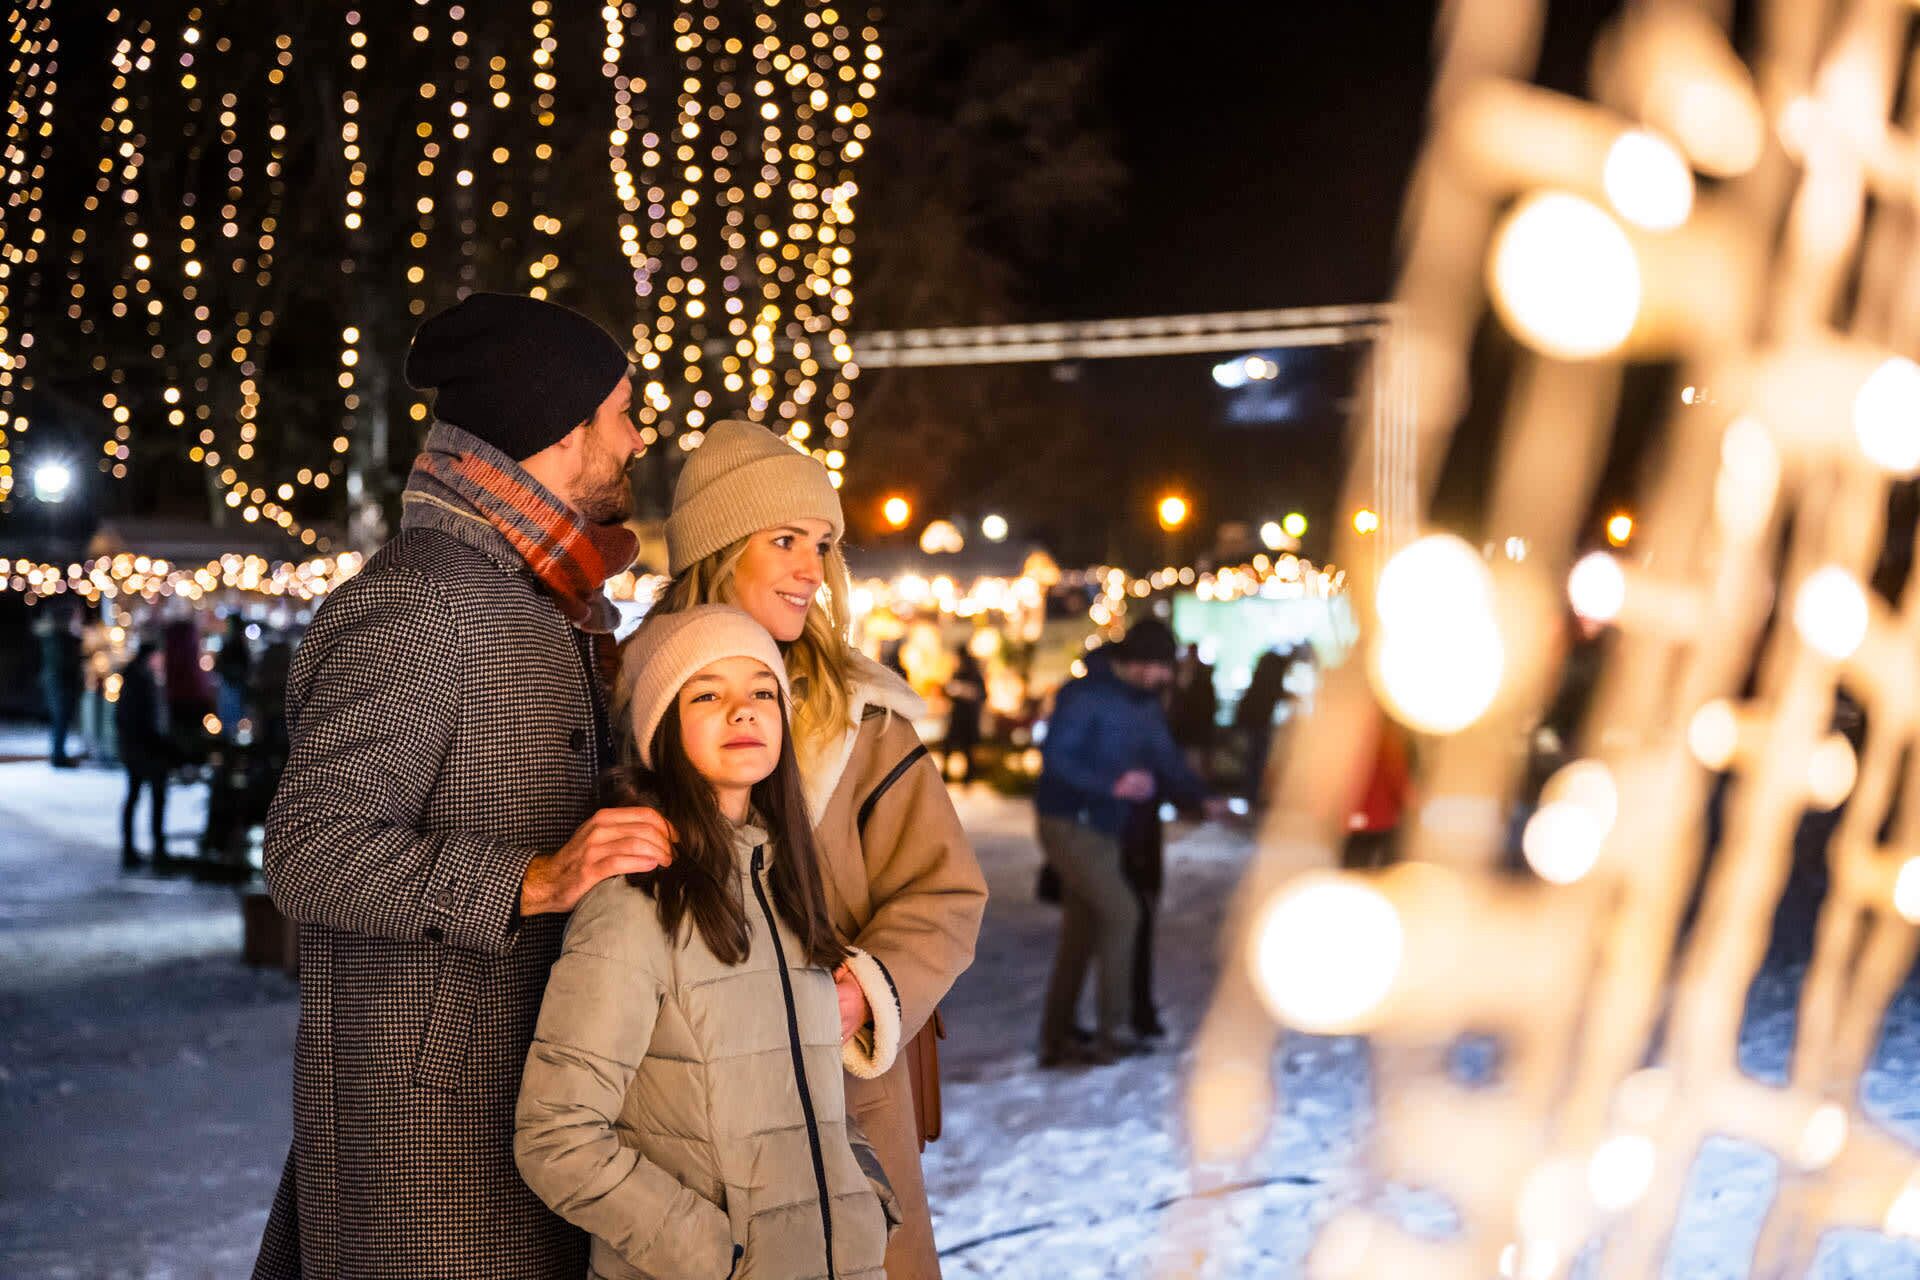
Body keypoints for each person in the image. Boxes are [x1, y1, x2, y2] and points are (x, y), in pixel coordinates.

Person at [252, 294, 675, 1279]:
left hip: (516, 1111)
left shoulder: (538, 595)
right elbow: (309, 850)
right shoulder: (421, 598)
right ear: (561, 431)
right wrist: (531, 879)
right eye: (622, 410)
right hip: (431, 1140)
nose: (639, 434)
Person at [649, 417, 987, 1280]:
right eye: (787, 539)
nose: (813, 568)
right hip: (678, 1117)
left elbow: (947, 895)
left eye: (825, 545)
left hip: (842, 1102)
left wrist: (857, 993)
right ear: (719, 550)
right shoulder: (630, 702)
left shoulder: (865, 724)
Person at [517, 605, 900, 1280]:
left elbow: (813, 1099)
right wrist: (711, 1254)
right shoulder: (636, 900)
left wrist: (863, 1198)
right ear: (661, 727)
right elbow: (557, 1135)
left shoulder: (788, 887)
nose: (744, 711)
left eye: (761, 692)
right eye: (707, 694)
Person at [1034, 618, 1226, 1067]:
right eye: (1161, 668)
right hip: (1068, 822)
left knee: (1082, 930)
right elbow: (1056, 757)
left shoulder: (1144, 704)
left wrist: (1202, 796)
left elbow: (1166, 759)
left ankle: (1057, 1035)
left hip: (1103, 828)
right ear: (1139, 663)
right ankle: (1113, 1031)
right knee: (1123, 912)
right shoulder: (1084, 695)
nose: (1166, 678)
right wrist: (1113, 783)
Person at [114, 637, 171, 869]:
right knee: (151, 796)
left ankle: (136, 849)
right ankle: (153, 849)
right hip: (144, 748)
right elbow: (145, 719)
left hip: (137, 747)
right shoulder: (142, 681)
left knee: (137, 796)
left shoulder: (136, 679)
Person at [33, 595, 84, 767]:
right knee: (60, 718)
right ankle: (58, 756)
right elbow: (63, 662)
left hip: (58, 681)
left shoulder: (57, 636)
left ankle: (59, 754)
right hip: (60, 682)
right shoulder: (60, 637)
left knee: (61, 719)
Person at [1168, 642, 1217, 779]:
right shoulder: (1180, 674)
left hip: (1193, 732)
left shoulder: (1200, 679)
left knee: (1194, 768)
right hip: (1183, 732)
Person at [941, 645, 985, 784]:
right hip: (957, 717)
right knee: (949, 746)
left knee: (967, 749)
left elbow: (981, 694)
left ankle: (969, 776)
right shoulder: (957, 672)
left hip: (968, 718)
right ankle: (947, 774)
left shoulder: (973, 673)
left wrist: (963, 690)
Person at [214, 612, 253, 735]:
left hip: (231, 686)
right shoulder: (239, 643)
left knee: (230, 718)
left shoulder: (232, 644)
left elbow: (219, 665)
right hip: (234, 685)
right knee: (234, 719)